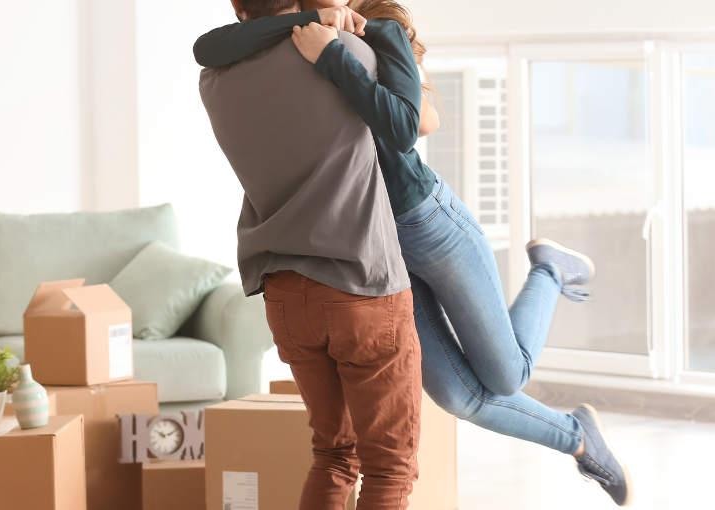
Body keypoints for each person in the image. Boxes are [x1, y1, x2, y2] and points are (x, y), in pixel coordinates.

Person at [194, 1, 633, 506]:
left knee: (507, 375)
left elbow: (418, 121)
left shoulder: (378, 28)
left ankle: (550, 271)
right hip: (370, 247)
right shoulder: (298, 36)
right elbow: (210, 46)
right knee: (460, 398)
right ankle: (578, 436)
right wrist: (309, 31)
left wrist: (340, 55)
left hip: (422, 218)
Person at [198, 1, 424, 508]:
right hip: (361, 284)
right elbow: (407, 125)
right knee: (389, 472)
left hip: (284, 293)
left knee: (334, 456)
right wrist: (382, 32)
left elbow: (211, 45)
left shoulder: (215, 78)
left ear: (236, 5)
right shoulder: (344, 52)